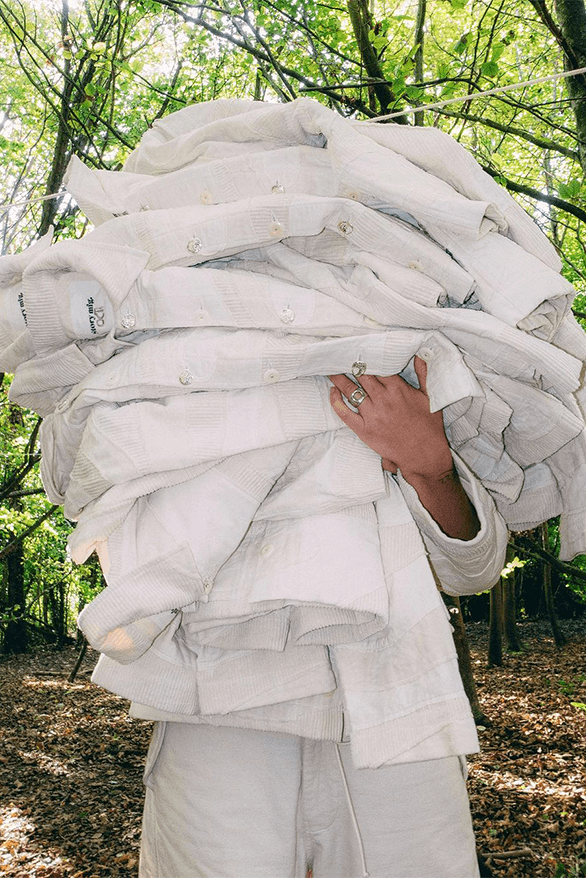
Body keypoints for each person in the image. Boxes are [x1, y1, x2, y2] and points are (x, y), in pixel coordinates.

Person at [137, 357, 505, 878]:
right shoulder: (186, 369)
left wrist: (430, 465)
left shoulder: (397, 368)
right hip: (216, 695)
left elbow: (474, 567)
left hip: (398, 695)